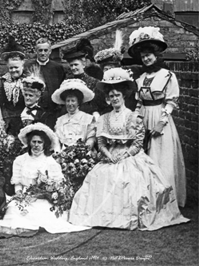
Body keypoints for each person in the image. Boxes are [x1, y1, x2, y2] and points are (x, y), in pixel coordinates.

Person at [69, 68, 189, 230]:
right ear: (107, 99)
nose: (114, 99)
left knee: (130, 180)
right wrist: (107, 154)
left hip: (130, 157)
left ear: (123, 96)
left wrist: (125, 154)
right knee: (100, 177)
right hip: (110, 157)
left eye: (117, 95)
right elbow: (102, 142)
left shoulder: (134, 117)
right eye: (111, 96)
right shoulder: (104, 118)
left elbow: (138, 143)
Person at [128, 26, 186, 207]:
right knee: (143, 159)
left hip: (161, 118)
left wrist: (162, 122)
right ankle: (147, 200)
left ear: (156, 55)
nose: (146, 58)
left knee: (161, 158)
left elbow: (171, 101)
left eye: (149, 55)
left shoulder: (168, 76)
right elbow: (138, 103)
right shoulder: (140, 78)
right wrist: (136, 119)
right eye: (143, 55)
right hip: (144, 117)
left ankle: (165, 201)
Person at [0, 123, 89, 233]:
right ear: (29, 143)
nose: (36, 145)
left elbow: (59, 184)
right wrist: (19, 193)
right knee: (13, 208)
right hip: (25, 197)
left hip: (44, 198)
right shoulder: (20, 160)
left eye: (39, 142)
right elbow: (18, 182)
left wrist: (44, 194)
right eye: (34, 142)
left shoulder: (50, 162)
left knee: (42, 212)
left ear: (44, 144)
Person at [25, 38, 66, 128]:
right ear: (36, 51)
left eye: (45, 50)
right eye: (40, 50)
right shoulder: (28, 66)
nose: (43, 53)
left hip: (53, 110)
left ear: (50, 51)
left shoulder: (57, 67)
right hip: (33, 110)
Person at [63, 39, 109, 118]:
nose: (73, 68)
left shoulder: (94, 83)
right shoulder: (67, 82)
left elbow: (101, 106)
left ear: (83, 64)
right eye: (71, 65)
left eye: (76, 65)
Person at [94, 30, 137, 110]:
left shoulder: (127, 84)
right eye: (106, 69)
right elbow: (97, 104)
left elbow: (131, 104)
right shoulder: (99, 87)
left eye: (111, 69)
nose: (109, 72)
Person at [52, 79, 96, 149]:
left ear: (78, 102)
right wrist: (58, 154)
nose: (70, 104)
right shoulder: (60, 120)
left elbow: (91, 139)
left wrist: (83, 151)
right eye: (68, 101)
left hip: (83, 154)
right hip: (62, 155)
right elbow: (56, 141)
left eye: (73, 101)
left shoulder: (87, 118)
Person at [0, 36, 27, 135]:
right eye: (11, 68)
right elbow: (0, 101)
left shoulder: (30, 80)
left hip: (26, 119)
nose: (13, 70)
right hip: (8, 120)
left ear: (22, 64)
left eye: (16, 67)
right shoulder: (3, 81)